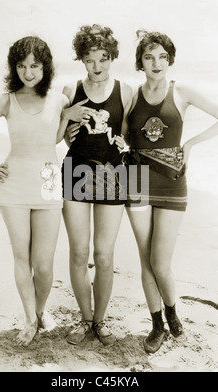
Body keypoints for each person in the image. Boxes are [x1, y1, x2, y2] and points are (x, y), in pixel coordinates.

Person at [124, 30, 218, 354]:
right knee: (145, 261)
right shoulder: (132, 96)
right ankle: (157, 324)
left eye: (162, 56)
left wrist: (190, 144)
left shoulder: (182, 91)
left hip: (173, 182)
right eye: (148, 57)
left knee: (160, 261)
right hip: (136, 181)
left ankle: (173, 312)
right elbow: (119, 137)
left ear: (170, 59)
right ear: (140, 62)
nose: (156, 63)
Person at [0, 36, 71, 347]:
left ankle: (40, 312)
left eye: (35, 65)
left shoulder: (58, 100)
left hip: (50, 184)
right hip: (13, 187)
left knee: (44, 264)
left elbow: (51, 140)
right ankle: (29, 319)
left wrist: (68, 118)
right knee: (21, 257)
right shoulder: (6, 100)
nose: (28, 72)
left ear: (45, 67)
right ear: (15, 67)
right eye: (22, 65)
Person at [60, 24, 132, 346]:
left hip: (113, 176)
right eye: (90, 60)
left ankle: (100, 321)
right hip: (75, 172)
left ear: (112, 57)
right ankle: (84, 319)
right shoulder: (69, 89)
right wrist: (65, 122)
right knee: (79, 252)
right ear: (81, 60)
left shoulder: (126, 91)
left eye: (104, 58)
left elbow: (131, 137)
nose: (98, 66)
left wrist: (125, 143)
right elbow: (55, 132)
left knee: (103, 254)